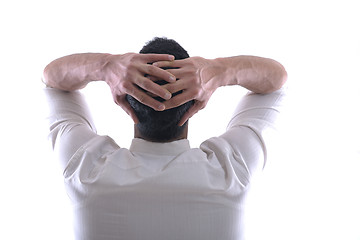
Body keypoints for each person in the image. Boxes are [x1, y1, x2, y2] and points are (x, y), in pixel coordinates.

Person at [43, 37, 287, 240]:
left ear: (125, 102)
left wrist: (107, 65)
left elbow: (53, 80)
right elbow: (276, 82)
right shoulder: (232, 173)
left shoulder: (86, 173)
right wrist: (220, 70)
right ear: (196, 103)